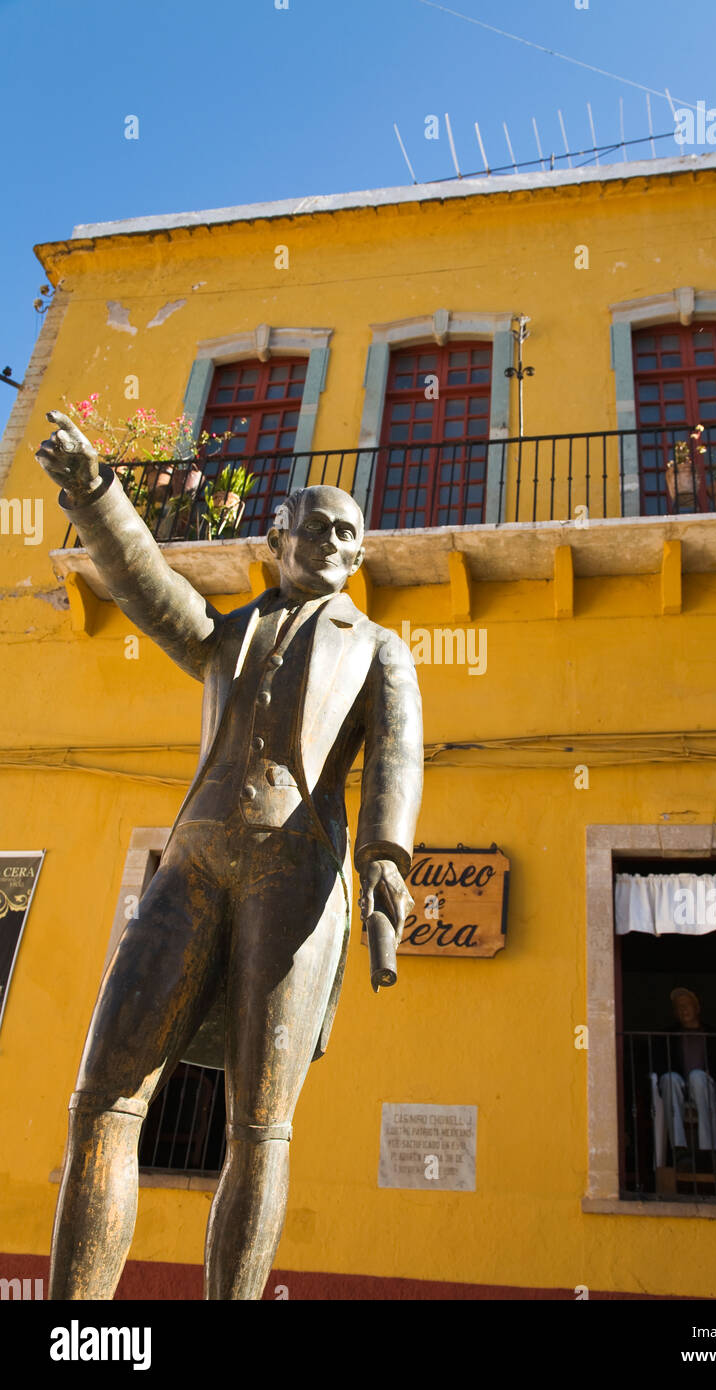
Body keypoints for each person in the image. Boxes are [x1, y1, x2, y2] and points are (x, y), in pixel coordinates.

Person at [35, 411, 423, 1300]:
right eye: (317, 524)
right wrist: (97, 494)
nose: (333, 540)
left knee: (259, 1124)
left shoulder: (378, 650)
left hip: (299, 871)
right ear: (279, 534)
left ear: (359, 557)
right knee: (104, 1096)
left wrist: (387, 859)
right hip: (195, 862)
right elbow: (142, 582)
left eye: (349, 532)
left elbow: (399, 756)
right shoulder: (225, 636)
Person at [655, 987, 716, 1170]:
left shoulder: (714, 1035)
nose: (683, 1010)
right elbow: (660, 1065)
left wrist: (715, 1076)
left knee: (697, 1076)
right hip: (678, 1088)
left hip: (705, 1086)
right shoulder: (667, 1036)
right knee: (669, 1078)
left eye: (687, 1005)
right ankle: (680, 1150)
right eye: (679, 1007)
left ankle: (710, 1150)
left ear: (697, 1008)